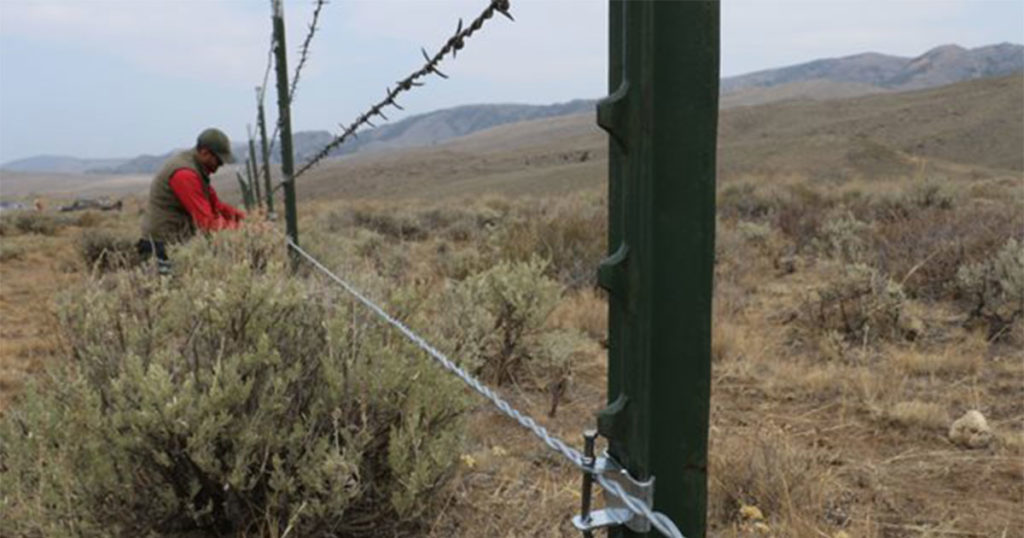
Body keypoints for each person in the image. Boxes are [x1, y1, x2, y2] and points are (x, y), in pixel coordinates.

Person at [138, 128, 245, 272]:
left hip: (175, 242)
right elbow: (207, 224)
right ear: (205, 153)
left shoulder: (197, 168)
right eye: (219, 160)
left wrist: (245, 218)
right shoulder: (185, 175)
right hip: (162, 247)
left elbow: (216, 205)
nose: (221, 165)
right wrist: (245, 229)